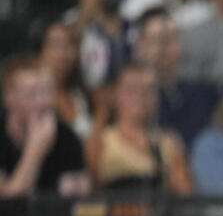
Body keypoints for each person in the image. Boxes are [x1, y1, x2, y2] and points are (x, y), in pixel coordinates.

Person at [84, 63, 193, 194]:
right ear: (116, 95)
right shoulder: (99, 142)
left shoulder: (169, 143)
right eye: (131, 90)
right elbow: (88, 195)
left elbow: (184, 194)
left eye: (148, 90)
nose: (140, 97)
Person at [131, 6, 221, 150]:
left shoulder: (204, 92)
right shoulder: (129, 99)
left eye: (172, 39)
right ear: (140, 46)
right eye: (158, 40)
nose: (166, 48)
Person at [0, 55, 90, 197]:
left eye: (47, 91)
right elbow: (9, 204)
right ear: (9, 97)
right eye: (31, 93)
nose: (42, 102)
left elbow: (79, 205)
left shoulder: (68, 138)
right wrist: (35, 150)